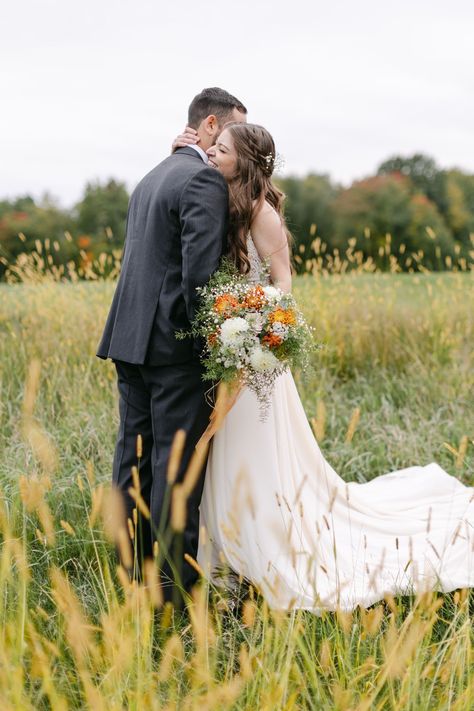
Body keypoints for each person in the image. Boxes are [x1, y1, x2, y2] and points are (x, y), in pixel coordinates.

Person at [175, 121, 474, 612]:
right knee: (225, 451)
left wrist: (255, 329)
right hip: (228, 353)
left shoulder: (262, 213)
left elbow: (283, 282)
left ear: (245, 161)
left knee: (254, 453)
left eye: (222, 150)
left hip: (255, 356)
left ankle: (262, 546)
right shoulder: (218, 199)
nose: (213, 154)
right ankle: (226, 548)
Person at [96, 88, 247, 606]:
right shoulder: (203, 178)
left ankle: (129, 571)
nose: (237, 145)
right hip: (173, 349)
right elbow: (198, 277)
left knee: (131, 459)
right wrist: (214, 348)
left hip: (128, 340)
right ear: (209, 126)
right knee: (175, 467)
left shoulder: (152, 175)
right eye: (231, 135)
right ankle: (173, 591)